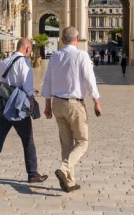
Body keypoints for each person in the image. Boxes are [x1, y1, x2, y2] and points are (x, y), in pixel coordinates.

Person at [42, 27, 102, 193]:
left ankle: (69, 182)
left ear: (62, 40)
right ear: (77, 39)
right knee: (82, 142)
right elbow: (90, 80)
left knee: (66, 144)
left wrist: (47, 104)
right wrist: (96, 101)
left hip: (57, 105)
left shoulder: (55, 56)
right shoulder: (81, 55)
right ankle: (64, 168)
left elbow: (48, 80)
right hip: (74, 104)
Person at [0, 38, 48, 188]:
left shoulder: (5, 61)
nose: (30, 53)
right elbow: (27, 85)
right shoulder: (24, 62)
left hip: (3, 106)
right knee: (28, 141)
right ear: (26, 48)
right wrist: (32, 97)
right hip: (17, 108)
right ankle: (32, 174)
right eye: (30, 50)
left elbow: (3, 83)